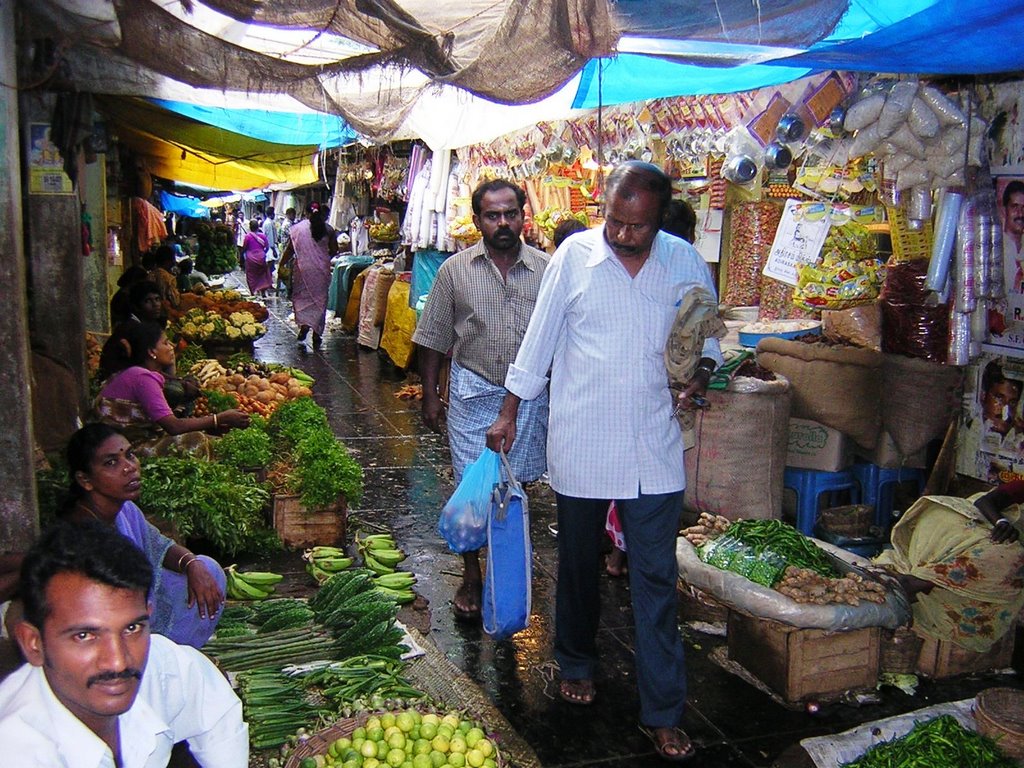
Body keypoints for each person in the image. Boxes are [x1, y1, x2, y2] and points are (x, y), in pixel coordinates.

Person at [486, 161, 722, 762]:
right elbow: (538, 340)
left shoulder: (685, 262)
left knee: (655, 579)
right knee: (579, 563)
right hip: (584, 438)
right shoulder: (574, 257)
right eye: (614, 220)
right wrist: (510, 412)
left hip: (655, 445)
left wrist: (700, 375)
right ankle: (575, 660)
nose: (621, 234)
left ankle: (664, 709)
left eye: (635, 227)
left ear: (659, 220)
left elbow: (709, 340)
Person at [0, 520, 248, 766]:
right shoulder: (18, 751)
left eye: (132, 628)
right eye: (84, 636)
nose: (118, 661)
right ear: (34, 644)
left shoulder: (161, 668)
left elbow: (213, 708)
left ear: (148, 614)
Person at [413, 179, 550, 620]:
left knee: (517, 484)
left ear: (523, 215)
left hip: (529, 396)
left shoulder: (547, 270)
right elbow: (432, 336)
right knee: (472, 489)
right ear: (478, 221)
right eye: (493, 215)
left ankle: (508, 567)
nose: (504, 222)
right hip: (472, 392)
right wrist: (430, 395)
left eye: (511, 213)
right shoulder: (455, 271)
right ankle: (472, 574)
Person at [605, 196, 701, 579]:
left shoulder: (682, 268)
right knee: (633, 488)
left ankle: (622, 553)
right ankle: (626, 553)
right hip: (650, 408)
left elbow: (703, 334)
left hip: (658, 411)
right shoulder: (633, 272)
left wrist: (702, 369)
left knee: (642, 491)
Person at [875, 481, 1024, 653]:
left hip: (960, 534)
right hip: (966, 521)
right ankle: (915, 583)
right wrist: (1001, 522)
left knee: (1002, 564)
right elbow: (984, 502)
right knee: (1009, 561)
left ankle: (916, 584)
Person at [94, 321, 249, 457]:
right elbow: (173, 426)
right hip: (128, 451)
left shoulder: (138, 373)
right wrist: (219, 419)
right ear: (151, 352)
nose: (172, 347)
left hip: (124, 444)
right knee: (197, 440)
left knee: (215, 442)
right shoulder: (142, 377)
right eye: (166, 343)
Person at [280, 202, 338, 349]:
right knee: (320, 301)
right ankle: (317, 333)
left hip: (303, 269)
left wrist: (281, 264)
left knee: (302, 298)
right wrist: (322, 259)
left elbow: (290, 249)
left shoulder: (298, 229)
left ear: (306, 213)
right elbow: (334, 250)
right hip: (321, 271)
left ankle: (304, 327)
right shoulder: (329, 229)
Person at [242, 219, 273, 297]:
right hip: (261, 258)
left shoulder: (248, 236)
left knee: (251, 276)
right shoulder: (262, 236)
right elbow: (267, 247)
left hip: (250, 259)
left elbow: (244, 248)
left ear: (250, 227)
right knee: (262, 275)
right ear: (258, 227)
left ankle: (253, 292)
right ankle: (263, 291)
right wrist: (263, 254)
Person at [148, 245, 180, 310]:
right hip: (165, 313)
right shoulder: (170, 278)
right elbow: (175, 302)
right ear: (169, 261)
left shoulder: (150, 275)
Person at [262, 206, 279, 291]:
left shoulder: (269, 222)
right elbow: (270, 237)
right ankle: (268, 283)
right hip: (270, 248)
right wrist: (272, 248)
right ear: (272, 214)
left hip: (270, 247)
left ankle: (269, 283)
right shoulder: (268, 223)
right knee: (269, 266)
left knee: (270, 267)